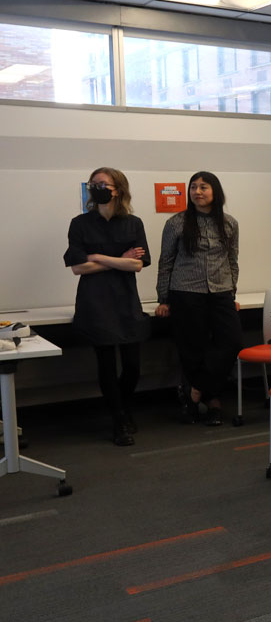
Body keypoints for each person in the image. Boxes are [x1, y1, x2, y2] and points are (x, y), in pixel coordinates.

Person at [63, 167, 150, 446]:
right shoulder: (80, 223)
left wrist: (98, 256)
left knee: (133, 366)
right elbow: (78, 268)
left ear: (118, 189)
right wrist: (118, 258)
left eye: (104, 183)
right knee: (106, 365)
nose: (97, 187)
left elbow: (137, 264)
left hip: (126, 301)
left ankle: (122, 409)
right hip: (95, 303)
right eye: (94, 183)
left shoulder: (133, 223)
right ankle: (119, 420)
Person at [155, 171, 241, 427]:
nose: (197, 192)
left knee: (232, 342)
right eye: (193, 187)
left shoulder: (229, 223)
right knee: (193, 349)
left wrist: (232, 292)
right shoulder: (176, 223)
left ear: (215, 191)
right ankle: (212, 403)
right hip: (185, 293)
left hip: (220, 292)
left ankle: (195, 391)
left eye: (203, 187)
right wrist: (163, 298)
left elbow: (232, 261)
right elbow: (165, 262)